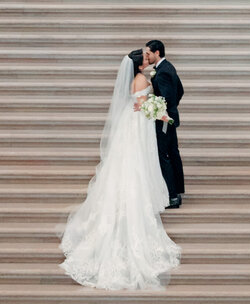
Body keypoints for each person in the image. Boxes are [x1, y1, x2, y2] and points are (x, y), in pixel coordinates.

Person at [60, 49, 181, 290]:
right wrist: (161, 113)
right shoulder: (140, 79)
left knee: (133, 162)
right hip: (138, 124)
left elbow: (139, 103)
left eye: (149, 56)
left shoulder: (137, 78)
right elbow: (145, 104)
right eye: (145, 59)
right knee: (137, 162)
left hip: (135, 121)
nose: (148, 60)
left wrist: (147, 105)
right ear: (138, 66)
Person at [144, 39, 185, 208]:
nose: (147, 56)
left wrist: (159, 111)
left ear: (157, 53)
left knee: (164, 156)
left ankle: (172, 195)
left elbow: (166, 99)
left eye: (148, 53)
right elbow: (180, 90)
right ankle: (177, 190)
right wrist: (173, 108)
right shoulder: (168, 67)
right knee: (173, 153)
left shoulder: (162, 72)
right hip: (169, 118)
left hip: (164, 121)